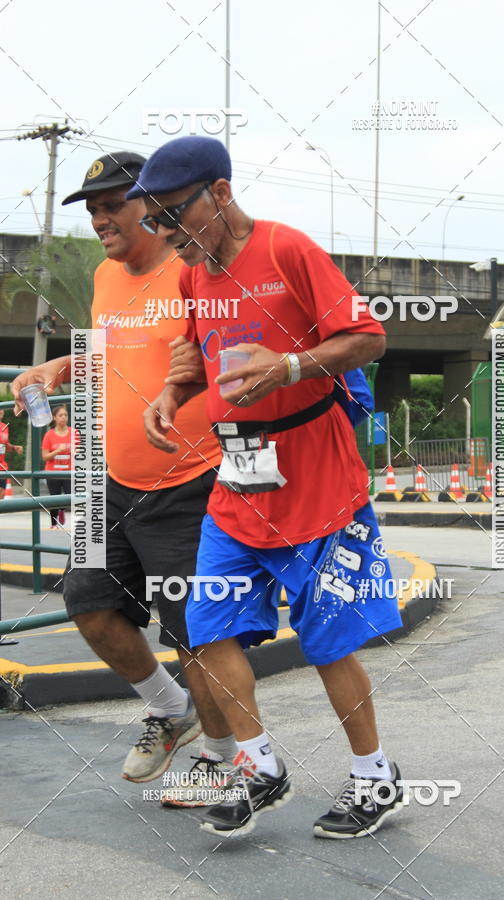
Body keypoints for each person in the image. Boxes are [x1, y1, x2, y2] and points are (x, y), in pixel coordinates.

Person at [139, 136, 404, 838]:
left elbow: (367, 338)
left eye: (172, 215)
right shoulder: (193, 277)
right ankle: (258, 766)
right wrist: (171, 391)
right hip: (239, 480)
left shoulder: (288, 250)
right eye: (153, 222)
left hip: (319, 481)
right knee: (209, 626)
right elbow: (201, 356)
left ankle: (375, 776)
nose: (165, 235)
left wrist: (288, 368)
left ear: (219, 194)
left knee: (328, 640)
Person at [12, 152, 235, 793]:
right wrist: (58, 369)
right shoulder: (109, 276)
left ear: (152, 205)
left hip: (192, 481)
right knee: (88, 603)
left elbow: (227, 362)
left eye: (113, 204)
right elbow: (106, 354)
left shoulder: (192, 271)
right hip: (111, 482)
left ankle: (223, 756)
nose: (101, 218)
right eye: (93, 209)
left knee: (194, 630)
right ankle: (172, 711)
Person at [41, 404, 74, 528]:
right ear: (55, 418)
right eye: (60, 415)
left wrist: (75, 452)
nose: (64, 418)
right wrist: (57, 451)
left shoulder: (73, 432)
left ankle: (62, 509)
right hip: (52, 472)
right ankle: (53, 524)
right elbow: (45, 457)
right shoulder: (49, 435)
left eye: (65, 415)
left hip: (68, 472)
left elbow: (80, 452)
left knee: (70, 496)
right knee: (54, 498)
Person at [0, 408, 23, 500]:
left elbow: (5, 444)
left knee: (1, 491)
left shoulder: (4, 427)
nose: (1, 411)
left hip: (2, 466)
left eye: (1, 409)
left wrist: (14, 447)